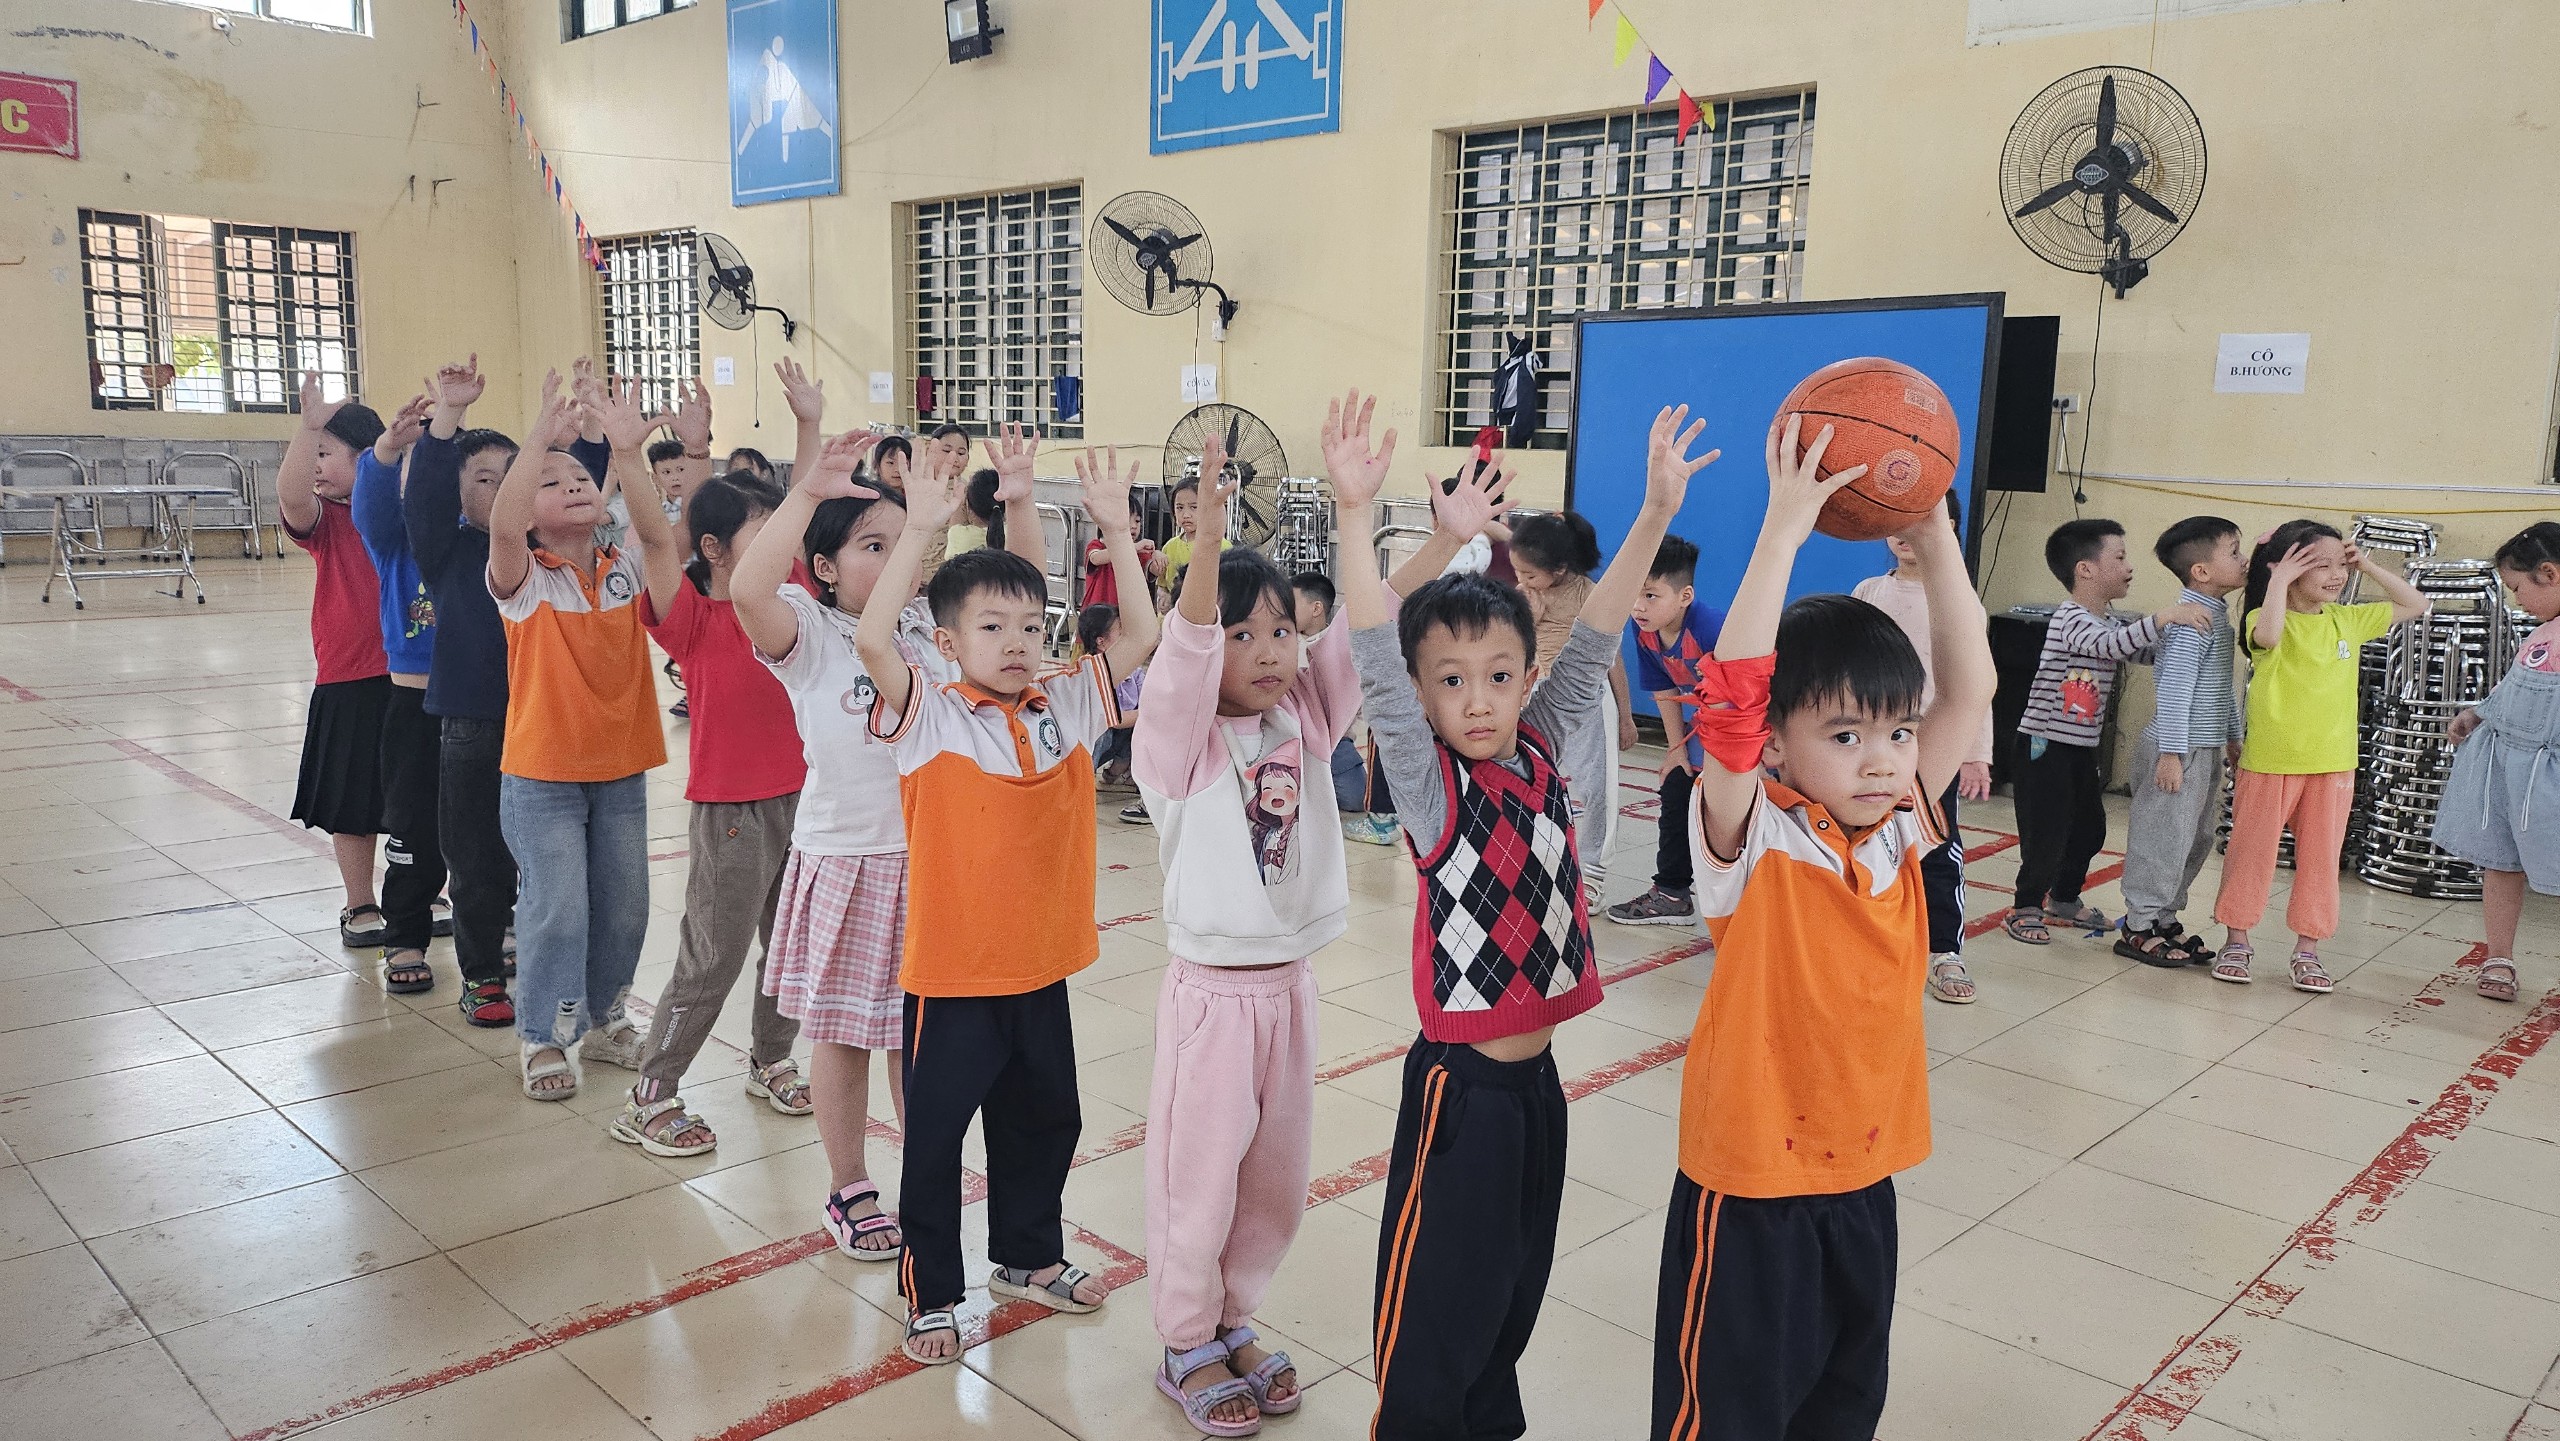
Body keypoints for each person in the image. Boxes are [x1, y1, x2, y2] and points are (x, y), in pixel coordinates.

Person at [1326, 387, 1691, 1441]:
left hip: (1536, 1088)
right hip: (1464, 1092)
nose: (1479, 698)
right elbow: (1370, 648)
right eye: (1452, 681)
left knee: (1510, 1289)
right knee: (1438, 1305)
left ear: (1530, 674)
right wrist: (1354, 512)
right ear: (1422, 696)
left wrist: (1654, 512)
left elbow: (1600, 628)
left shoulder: (1541, 740)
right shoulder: (1432, 787)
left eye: (1498, 675)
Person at [1651, 413, 1994, 1441]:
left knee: (1842, 1405)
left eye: (1896, 732)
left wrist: (1935, 539)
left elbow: (1969, 687)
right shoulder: (1752, 834)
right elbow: (1732, 699)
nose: (1883, 757)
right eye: (1845, 735)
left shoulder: (1899, 828)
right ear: (1776, 746)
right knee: (1729, 1415)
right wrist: (1782, 532)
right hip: (1751, 1179)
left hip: (1861, 1171)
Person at [856, 431, 1157, 1366]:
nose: (1018, 642)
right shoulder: (930, 714)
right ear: (948, 643)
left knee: (1046, 1121)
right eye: (993, 628)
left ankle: (1028, 1256)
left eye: (1031, 625)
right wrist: (920, 529)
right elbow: (871, 637)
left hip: (1041, 965)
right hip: (953, 976)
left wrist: (1118, 531)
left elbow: (1142, 636)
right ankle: (933, 1293)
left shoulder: (1064, 703)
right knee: (935, 1139)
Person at [1134, 437, 1358, 1435]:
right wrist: (1210, 540)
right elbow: (1183, 656)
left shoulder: (1302, 719)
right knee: (1199, 1177)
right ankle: (1184, 1337)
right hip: (1214, 998)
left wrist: (1371, 519)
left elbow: (1359, 640)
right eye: (1243, 633)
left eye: (1280, 631)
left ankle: (1233, 1317)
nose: (1271, 650)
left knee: (1273, 1178)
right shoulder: (1178, 744)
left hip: (1288, 987)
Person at [609, 473, 818, 1156]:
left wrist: (809, 427)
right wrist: (627, 452)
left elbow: (803, 500)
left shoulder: (788, 603)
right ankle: (651, 1093)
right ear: (714, 548)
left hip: (805, 803)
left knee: (790, 947)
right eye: (764, 533)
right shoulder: (694, 619)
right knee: (712, 959)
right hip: (734, 812)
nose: (784, 546)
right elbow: (652, 541)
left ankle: (770, 1058)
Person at [487, 370, 675, 1101]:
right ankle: (543, 1032)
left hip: (621, 769)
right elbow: (504, 527)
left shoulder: (622, 568)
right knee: (558, 908)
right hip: (542, 776)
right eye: (550, 480)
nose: (570, 483)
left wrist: (626, 453)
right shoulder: (524, 577)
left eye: (579, 476)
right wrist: (540, 434)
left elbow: (657, 535)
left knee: (626, 907)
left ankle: (604, 1018)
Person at [405, 355, 563, 1027]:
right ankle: (482, 976)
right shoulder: (449, 550)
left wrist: (576, 432)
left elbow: (577, 484)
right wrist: (449, 416)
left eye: (512, 475)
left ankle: (541, 956)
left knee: (549, 853)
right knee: (474, 857)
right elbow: (423, 496)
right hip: (473, 723)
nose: (501, 489)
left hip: (547, 721)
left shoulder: (548, 555)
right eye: (483, 478)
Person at [2210, 520, 2428, 991]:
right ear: (2287, 568)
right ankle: (2237, 941)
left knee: (2321, 860)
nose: (2336, 575)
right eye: (2321, 565)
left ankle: (2307, 950)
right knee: (2251, 854)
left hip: (2333, 764)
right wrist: (2279, 581)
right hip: (2271, 761)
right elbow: (2268, 638)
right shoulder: (2262, 617)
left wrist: (2366, 565)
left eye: (2340, 564)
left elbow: (2416, 603)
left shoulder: (2346, 620)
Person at [2004, 519, 2211, 945]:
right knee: (2046, 830)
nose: (2129, 566)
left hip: (2080, 747)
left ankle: (2063, 898)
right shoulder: (2070, 618)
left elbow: (2142, 651)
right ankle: (2025, 906)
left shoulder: (2109, 621)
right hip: (2044, 744)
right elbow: (2108, 646)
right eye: (2119, 557)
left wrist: (2181, 639)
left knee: (2089, 829)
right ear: (2085, 569)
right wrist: (2165, 616)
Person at [1849, 492, 1996, 1002]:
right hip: (1873, 745)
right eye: (1894, 522)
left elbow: (1976, 686)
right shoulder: (1868, 591)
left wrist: (1976, 753)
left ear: (1948, 527)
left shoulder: (1960, 601)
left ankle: (1944, 950)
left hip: (1935, 747)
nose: (1904, 534)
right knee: (1865, 841)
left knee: (1937, 847)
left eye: (1920, 522)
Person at [277, 376, 393, 952]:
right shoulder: (324, 520)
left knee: (422, 795)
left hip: (412, 676)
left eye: (327, 453)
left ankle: (426, 889)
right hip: (348, 677)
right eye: (314, 454)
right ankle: (360, 900)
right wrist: (308, 430)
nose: (317, 466)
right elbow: (292, 494)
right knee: (353, 803)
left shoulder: (398, 514)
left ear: (367, 457)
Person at [351, 390, 454, 996]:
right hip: (414, 706)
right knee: (413, 829)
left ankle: (493, 924)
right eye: (418, 473)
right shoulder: (394, 541)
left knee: (489, 825)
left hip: (486, 707)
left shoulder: (483, 541)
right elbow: (370, 503)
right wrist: (390, 447)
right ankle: (406, 935)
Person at [2432, 522, 2560, 1004]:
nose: (2517, 601)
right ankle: (2498, 956)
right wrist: (2479, 712)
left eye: (2518, 588)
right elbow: (2513, 689)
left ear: (2549, 573)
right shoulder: (2541, 635)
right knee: (2502, 862)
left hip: (2549, 778)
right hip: (2508, 770)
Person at [2116, 516, 2249, 967]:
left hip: (2202, 749)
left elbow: (2221, 687)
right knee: (2162, 839)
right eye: (2234, 552)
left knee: (2194, 839)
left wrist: (2232, 737)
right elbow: (2174, 690)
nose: (2244, 560)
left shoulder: (2216, 617)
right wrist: (2172, 753)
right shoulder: (2191, 622)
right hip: (2177, 751)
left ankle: (2164, 918)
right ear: (2202, 571)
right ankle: (2139, 925)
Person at [1507, 511, 1640, 904]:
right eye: (1517, 572)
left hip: (1586, 700)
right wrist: (1528, 617)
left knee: (1597, 788)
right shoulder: (1522, 595)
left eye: (1530, 574)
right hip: (1535, 694)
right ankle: (1525, 857)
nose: (1522, 580)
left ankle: (1593, 872)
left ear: (1560, 569)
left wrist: (1626, 716)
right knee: (1524, 777)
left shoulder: (1590, 596)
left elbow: (1612, 660)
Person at [1605, 534, 1726, 929]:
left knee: (1736, 813)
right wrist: (1676, 749)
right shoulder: (1645, 631)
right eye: (1634, 593)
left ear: (1685, 596)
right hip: (1704, 725)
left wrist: (1741, 759)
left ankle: (1751, 901)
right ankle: (1672, 893)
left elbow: (1748, 698)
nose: (1638, 606)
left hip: (1748, 727)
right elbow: (1664, 690)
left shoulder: (1711, 628)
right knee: (1676, 787)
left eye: (1651, 595)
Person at [1080, 604, 1146, 803]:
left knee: (1142, 729)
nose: (1127, 638)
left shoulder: (1133, 670)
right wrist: (1148, 714)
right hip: (1095, 738)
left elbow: (1148, 697)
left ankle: (1118, 772)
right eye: (1121, 633)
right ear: (1101, 642)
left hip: (1121, 731)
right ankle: (1082, 781)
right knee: (1100, 731)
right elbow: (1112, 719)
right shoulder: (1090, 671)